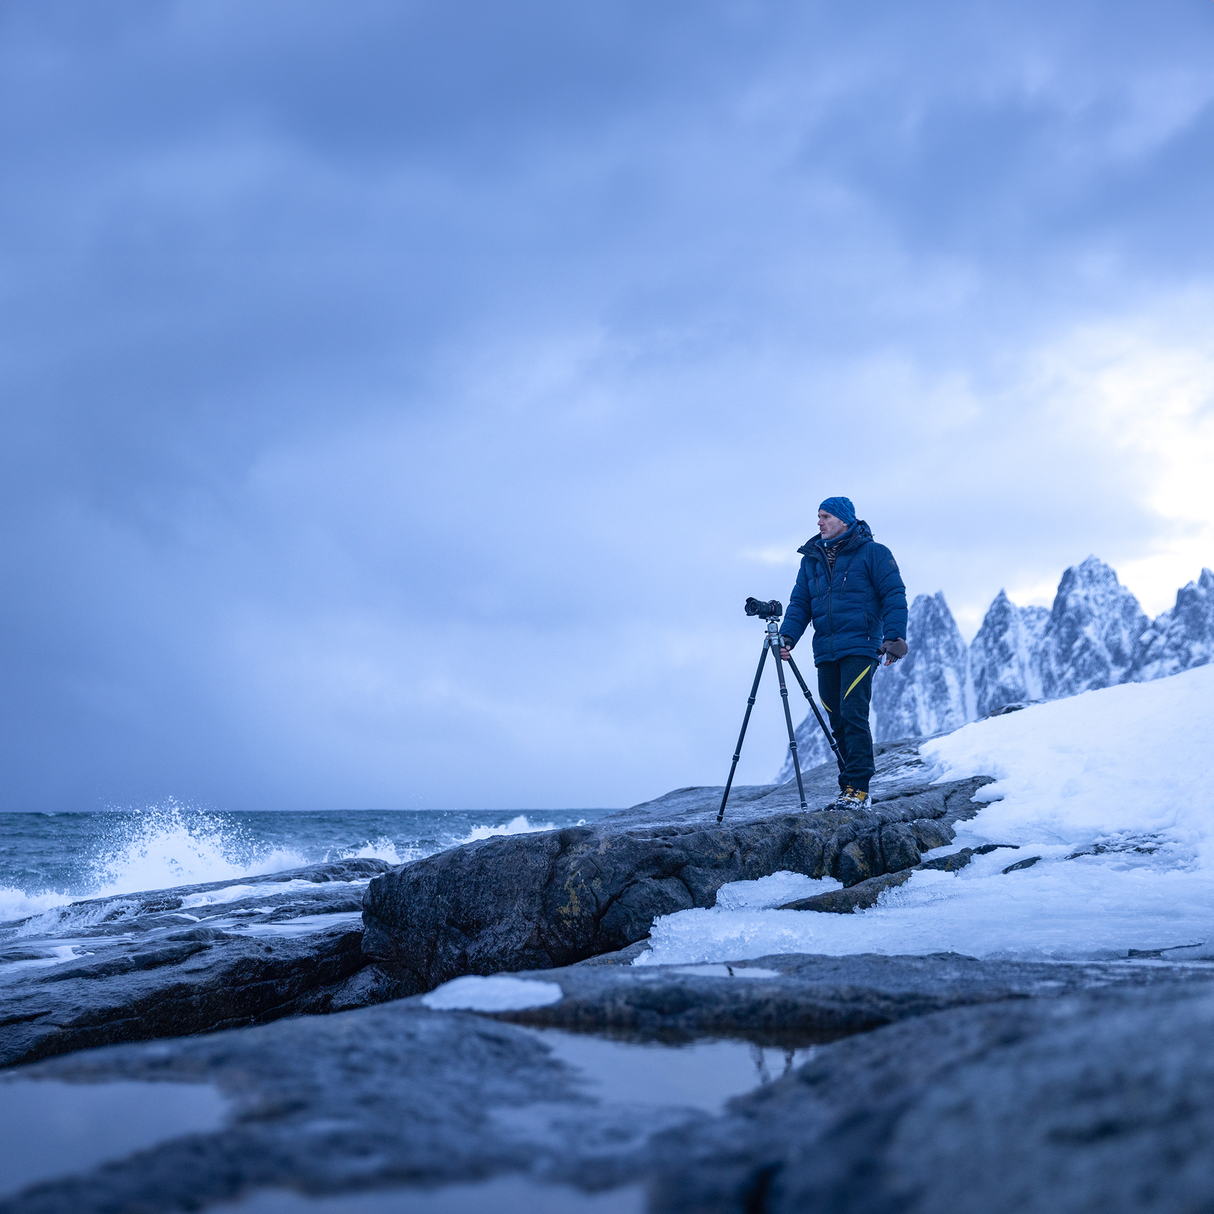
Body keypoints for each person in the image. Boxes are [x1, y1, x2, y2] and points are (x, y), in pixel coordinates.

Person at [777, 496, 908, 809]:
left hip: (861, 646)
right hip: (825, 650)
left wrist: (894, 638)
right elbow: (800, 604)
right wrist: (788, 637)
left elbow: (893, 594)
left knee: (853, 712)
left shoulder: (874, 553)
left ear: (844, 519)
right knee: (836, 719)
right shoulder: (811, 560)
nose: (819, 522)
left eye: (825, 516)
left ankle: (859, 789)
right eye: (818, 517)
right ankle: (847, 788)